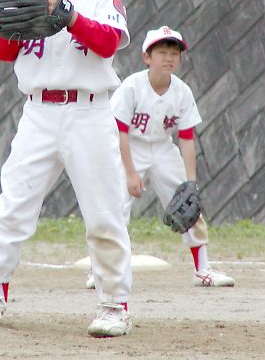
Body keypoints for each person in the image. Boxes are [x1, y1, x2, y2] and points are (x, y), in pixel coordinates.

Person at [0, 0, 133, 338]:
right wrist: (9, 24)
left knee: (104, 212)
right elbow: (0, 51)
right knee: (12, 207)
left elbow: (108, 43)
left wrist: (69, 15)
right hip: (38, 114)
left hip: (90, 113)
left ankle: (114, 305)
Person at [85, 26, 235, 289]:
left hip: (164, 149)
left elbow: (186, 138)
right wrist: (131, 173)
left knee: (189, 206)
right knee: (115, 208)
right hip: (130, 148)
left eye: (174, 53)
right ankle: (101, 271)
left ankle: (202, 270)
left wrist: (191, 182)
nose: (169, 58)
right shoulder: (132, 87)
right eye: (162, 52)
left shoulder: (182, 92)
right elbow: (119, 132)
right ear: (147, 57)